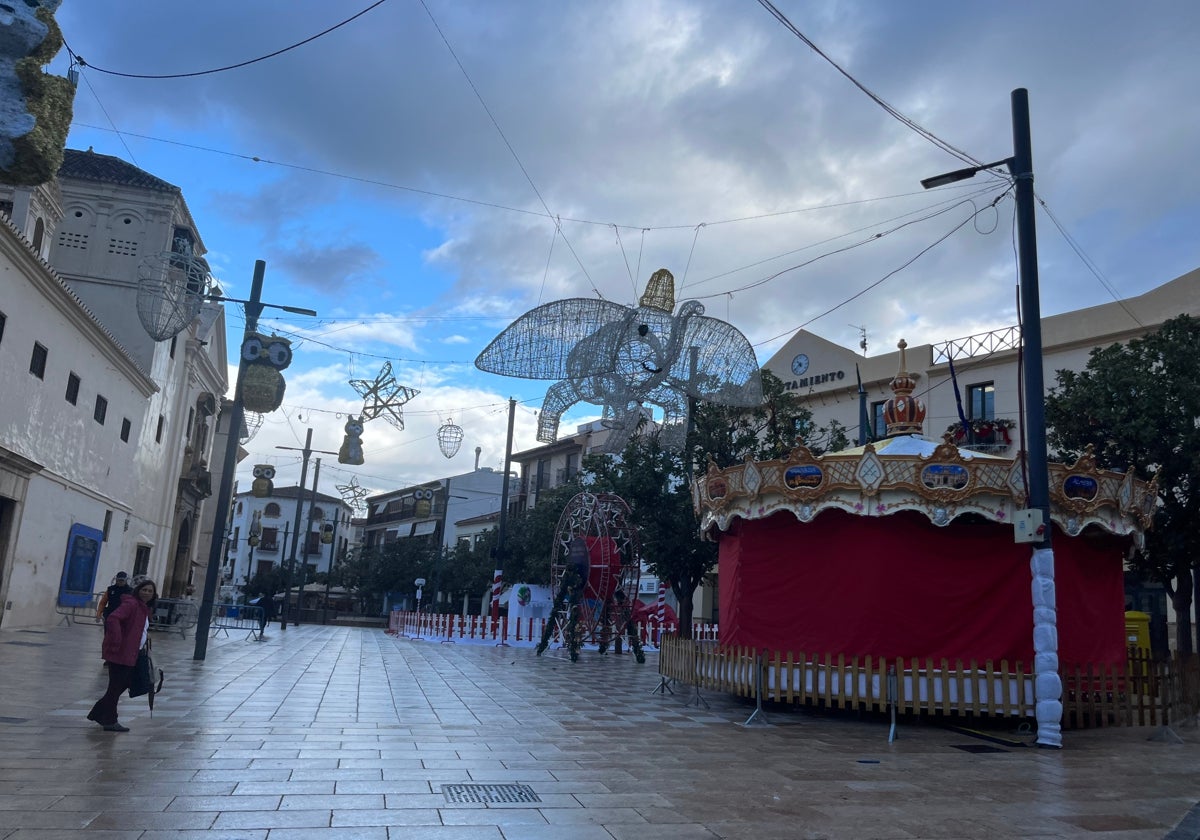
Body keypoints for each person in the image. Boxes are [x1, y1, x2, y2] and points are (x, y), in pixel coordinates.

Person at [87, 576, 156, 732]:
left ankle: (98, 713)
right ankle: (110, 720)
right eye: (144, 590)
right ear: (138, 591)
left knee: (120, 686)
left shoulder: (143, 607)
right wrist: (117, 639)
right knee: (115, 687)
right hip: (121, 653)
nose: (146, 593)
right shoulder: (131, 604)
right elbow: (113, 618)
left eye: (150, 591)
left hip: (133, 653)